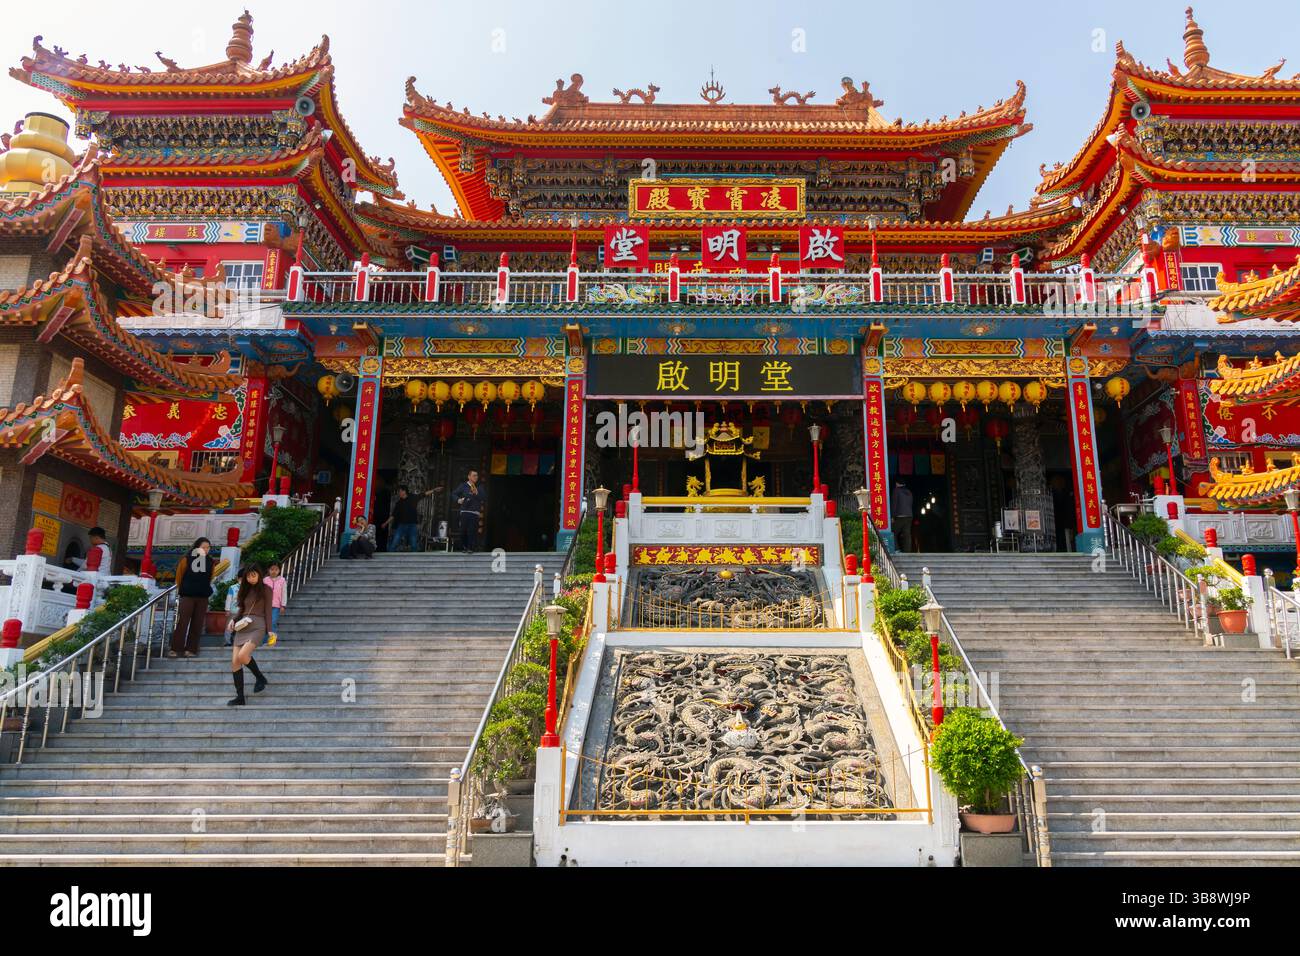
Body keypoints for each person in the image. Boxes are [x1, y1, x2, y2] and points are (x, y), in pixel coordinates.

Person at [227, 564, 273, 706]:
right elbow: (241, 609)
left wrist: (270, 629)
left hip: (258, 624)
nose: (251, 578)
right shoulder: (244, 590)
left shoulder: (266, 589)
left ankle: (260, 678)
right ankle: (240, 697)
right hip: (243, 624)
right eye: (248, 576)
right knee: (235, 662)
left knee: (242, 656)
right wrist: (233, 620)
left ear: (259, 575)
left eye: (253, 575)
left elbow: (268, 610)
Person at [168, 537, 213, 658]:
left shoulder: (210, 562)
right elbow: (179, 576)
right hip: (188, 596)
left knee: (197, 623)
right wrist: (182, 589)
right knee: (183, 622)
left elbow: (210, 578)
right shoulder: (186, 560)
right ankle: (175, 649)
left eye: (208, 547)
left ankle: (191, 649)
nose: (206, 550)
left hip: (202, 597)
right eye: (203, 547)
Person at [453, 469, 486, 553]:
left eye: (477, 475)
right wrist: (458, 500)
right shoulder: (463, 485)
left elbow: (483, 498)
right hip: (464, 511)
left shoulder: (479, 486)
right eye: (474, 475)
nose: (476, 477)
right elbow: (453, 494)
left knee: (472, 530)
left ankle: (471, 548)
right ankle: (464, 547)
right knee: (463, 530)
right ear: (469, 476)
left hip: (474, 512)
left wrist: (476, 493)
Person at [384, 487, 421, 552]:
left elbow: (424, 494)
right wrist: (385, 523)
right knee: (394, 542)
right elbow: (393, 515)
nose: (399, 493)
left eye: (400, 491)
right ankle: (389, 558)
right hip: (402, 525)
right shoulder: (399, 503)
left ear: (404, 491)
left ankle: (414, 559)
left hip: (412, 525)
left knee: (414, 544)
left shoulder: (413, 498)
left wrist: (434, 490)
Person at [890, 480, 914, 553]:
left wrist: (892, 516)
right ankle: (907, 551)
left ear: (897, 483)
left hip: (900, 515)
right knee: (907, 534)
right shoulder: (909, 492)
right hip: (909, 515)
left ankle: (897, 549)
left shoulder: (896, 491)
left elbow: (894, 504)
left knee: (893, 532)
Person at [266, 561, 287, 632]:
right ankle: (264, 641)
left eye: (276, 569)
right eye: (272, 569)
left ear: (279, 570)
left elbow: (284, 593)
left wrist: (283, 605)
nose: (274, 571)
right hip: (266, 605)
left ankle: (272, 639)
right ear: (268, 570)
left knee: (273, 622)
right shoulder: (265, 580)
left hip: (276, 606)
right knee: (265, 622)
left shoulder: (282, 580)